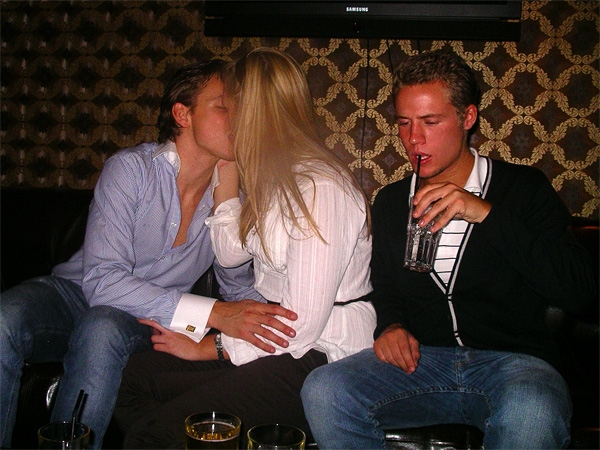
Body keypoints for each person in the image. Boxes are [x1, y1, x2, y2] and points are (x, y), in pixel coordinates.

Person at [300, 49, 597, 449]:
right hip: (423, 365)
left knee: (531, 412)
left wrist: (484, 213)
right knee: (325, 389)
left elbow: (579, 291)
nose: (413, 139)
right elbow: (385, 283)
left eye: (430, 122)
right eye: (404, 123)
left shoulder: (522, 189)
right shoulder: (392, 201)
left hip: (514, 367)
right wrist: (390, 326)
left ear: (467, 117)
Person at [0, 59, 300, 449]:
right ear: (183, 114)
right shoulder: (131, 170)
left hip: (142, 319)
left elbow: (239, 290)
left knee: (103, 327)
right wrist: (213, 313)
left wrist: (283, 320)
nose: (241, 118)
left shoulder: (231, 201)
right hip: (72, 293)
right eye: (224, 106)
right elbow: (102, 281)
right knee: (5, 317)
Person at [112, 47, 377, 448]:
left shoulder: (319, 188)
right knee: (130, 382)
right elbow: (230, 253)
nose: (225, 119)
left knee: (157, 435)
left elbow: (299, 327)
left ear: (251, 112)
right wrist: (228, 170)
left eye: (228, 107)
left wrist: (210, 348)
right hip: (274, 343)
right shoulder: (277, 178)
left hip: (321, 354)